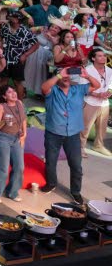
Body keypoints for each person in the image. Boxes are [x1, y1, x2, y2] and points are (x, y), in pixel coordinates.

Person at [41, 67, 89, 204]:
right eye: (64, 75)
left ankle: (76, 192)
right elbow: (43, 87)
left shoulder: (78, 89)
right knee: (51, 160)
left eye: (68, 75)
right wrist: (59, 75)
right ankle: (51, 183)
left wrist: (87, 76)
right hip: (53, 132)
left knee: (76, 165)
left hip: (73, 133)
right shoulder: (52, 90)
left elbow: (96, 86)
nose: (66, 77)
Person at [0, 85, 27, 204]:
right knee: (3, 167)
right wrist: (4, 122)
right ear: (4, 96)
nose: (13, 93)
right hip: (3, 138)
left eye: (14, 91)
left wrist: (24, 134)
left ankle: (12, 191)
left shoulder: (20, 103)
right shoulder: (1, 107)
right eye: (9, 92)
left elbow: (24, 120)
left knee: (19, 166)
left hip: (17, 138)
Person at [82, 46, 112, 156]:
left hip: (104, 103)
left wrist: (109, 92)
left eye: (104, 55)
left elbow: (110, 85)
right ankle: (80, 147)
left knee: (102, 128)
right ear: (93, 58)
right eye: (100, 56)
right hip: (90, 102)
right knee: (85, 127)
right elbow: (82, 87)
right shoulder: (87, 70)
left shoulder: (109, 70)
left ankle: (98, 146)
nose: (103, 57)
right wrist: (97, 94)